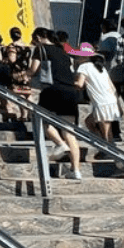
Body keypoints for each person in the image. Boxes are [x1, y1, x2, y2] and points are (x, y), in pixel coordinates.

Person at [29, 28, 85, 179]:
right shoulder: (63, 50)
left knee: (39, 119)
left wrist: (24, 75)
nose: (34, 42)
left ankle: (60, 144)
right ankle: (76, 171)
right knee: (69, 131)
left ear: (40, 37)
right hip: (71, 91)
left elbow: (33, 69)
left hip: (53, 89)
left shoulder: (40, 49)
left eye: (34, 39)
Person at [70, 43, 120, 145]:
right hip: (110, 99)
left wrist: (69, 82)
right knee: (90, 122)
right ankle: (102, 143)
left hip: (101, 102)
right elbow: (111, 86)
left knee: (106, 130)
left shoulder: (83, 67)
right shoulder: (101, 67)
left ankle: (108, 149)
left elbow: (80, 84)